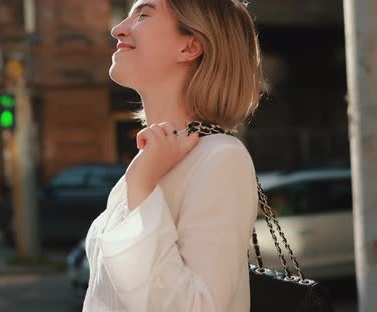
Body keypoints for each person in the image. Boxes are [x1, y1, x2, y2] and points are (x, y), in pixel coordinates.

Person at [82, 0, 263, 311]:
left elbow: (198, 307)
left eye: (143, 14)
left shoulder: (221, 158)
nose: (118, 29)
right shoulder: (155, 161)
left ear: (190, 47)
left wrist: (142, 187)